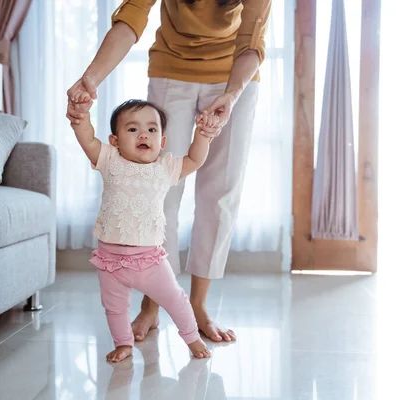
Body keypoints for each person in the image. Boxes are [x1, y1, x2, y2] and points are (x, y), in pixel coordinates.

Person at [67, 0, 271, 344]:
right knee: (159, 191)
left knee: (220, 193)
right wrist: (91, 78)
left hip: (235, 75)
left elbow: (251, 41)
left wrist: (232, 96)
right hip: (171, 69)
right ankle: (152, 304)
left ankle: (199, 305)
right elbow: (131, 17)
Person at [66, 98, 219, 362]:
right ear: (115, 141)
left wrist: (202, 136)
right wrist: (81, 117)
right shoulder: (109, 159)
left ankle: (192, 337)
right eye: (132, 129)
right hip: (110, 260)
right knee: (114, 308)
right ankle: (123, 344)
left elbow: (195, 159)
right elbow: (88, 139)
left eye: (151, 129)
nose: (143, 135)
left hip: (149, 260)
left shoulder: (165, 166)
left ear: (161, 142)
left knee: (176, 299)